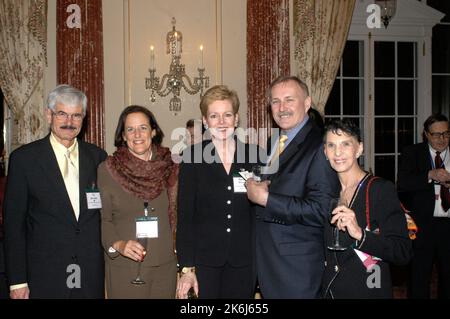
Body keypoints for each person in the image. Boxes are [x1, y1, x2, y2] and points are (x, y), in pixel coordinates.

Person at [3, 84, 107, 298]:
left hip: (90, 275)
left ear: (84, 118)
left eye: (76, 115)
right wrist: (17, 281)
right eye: (62, 114)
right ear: (48, 115)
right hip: (43, 276)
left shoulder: (98, 158)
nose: (69, 122)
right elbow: (14, 226)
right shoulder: (24, 160)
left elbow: (106, 215)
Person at [245, 75, 340, 298]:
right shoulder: (275, 141)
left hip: (296, 269)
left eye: (289, 99)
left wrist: (266, 199)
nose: (282, 107)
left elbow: (322, 210)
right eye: (275, 101)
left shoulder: (320, 145)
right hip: (270, 261)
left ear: (307, 104)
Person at [176, 85, 261, 299]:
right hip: (205, 261)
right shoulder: (191, 157)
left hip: (245, 260)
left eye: (227, 115)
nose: (222, 122)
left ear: (237, 118)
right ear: (205, 121)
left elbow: (260, 213)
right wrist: (186, 268)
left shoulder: (254, 155)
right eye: (214, 116)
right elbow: (185, 216)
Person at [322, 119, 412, 298]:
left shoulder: (379, 189)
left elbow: (403, 252)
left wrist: (360, 234)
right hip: (331, 291)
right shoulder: (326, 192)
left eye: (346, 144)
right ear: (325, 152)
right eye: (331, 145)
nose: (338, 152)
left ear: (359, 149)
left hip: (368, 290)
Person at [98, 105, 178, 299]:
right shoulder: (107, 169)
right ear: (123, 136)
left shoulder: (172, 167)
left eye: (143, 127)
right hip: (125, 267)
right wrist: (118, 244)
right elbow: (103, 218)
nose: (137, 134)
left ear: (153, 131)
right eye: (130, 129)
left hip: (165, 266)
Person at [398, 113, 450, 299]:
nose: (442, 139)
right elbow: (403, 183)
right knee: (419, 278)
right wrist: (430, 174)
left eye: (446, 134)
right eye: (436, 134)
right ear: (426, 134)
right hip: (423, 226)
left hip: (449, 225)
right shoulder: (412, 153)